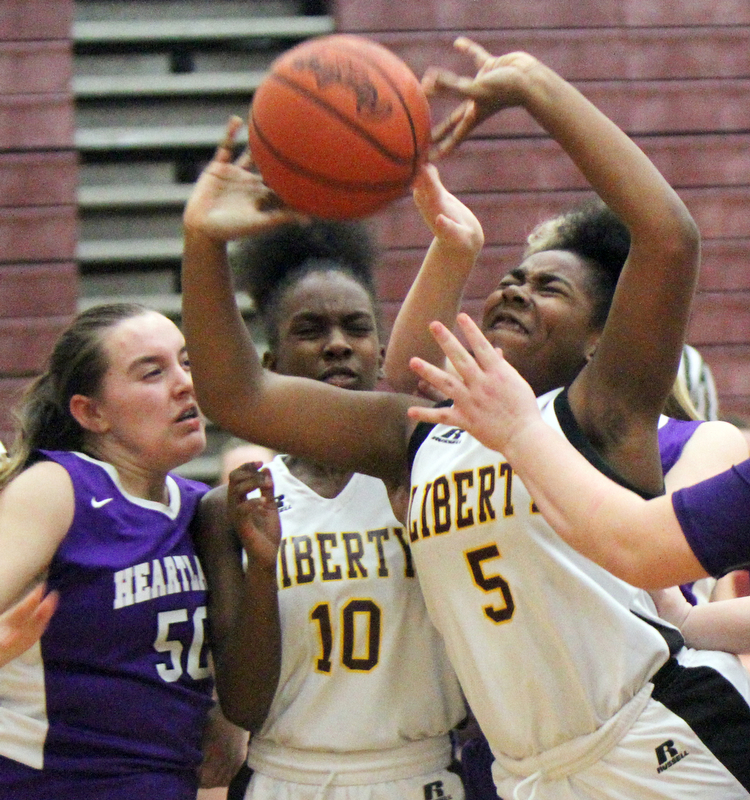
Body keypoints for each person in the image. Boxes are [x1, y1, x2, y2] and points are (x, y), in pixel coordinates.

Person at [181, 40, 750, 798]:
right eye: (512, 279)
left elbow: (670, 237)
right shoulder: (416, 437)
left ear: (596, 339)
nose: (516, 289)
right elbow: (237, 396)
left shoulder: (602, 413)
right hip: (529, 775)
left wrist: (533, 89)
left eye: (551, 288)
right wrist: (204, 241)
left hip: (659, 735)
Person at [194, 218, 466, 800]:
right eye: (311, 330)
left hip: (418, 769)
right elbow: (242, 705)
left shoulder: (430, 476)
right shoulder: (229, 509)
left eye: (356, 328)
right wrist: (264, 567)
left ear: (382, 353)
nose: (337, 344)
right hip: (282, 775)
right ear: (267, 367)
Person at [0, 303, 275, 800]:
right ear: (91, 412)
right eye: (153, 373)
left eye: (187, 363)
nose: (185, 384)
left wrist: (229, 719)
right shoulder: (60, 488)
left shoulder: (202, 510)